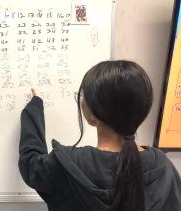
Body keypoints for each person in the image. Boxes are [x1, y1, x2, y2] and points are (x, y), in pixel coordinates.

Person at [19, 60, 181, 211]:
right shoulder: (162, 168)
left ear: (91, 115)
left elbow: (30, 163)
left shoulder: (65, 165)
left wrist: (34, 108)